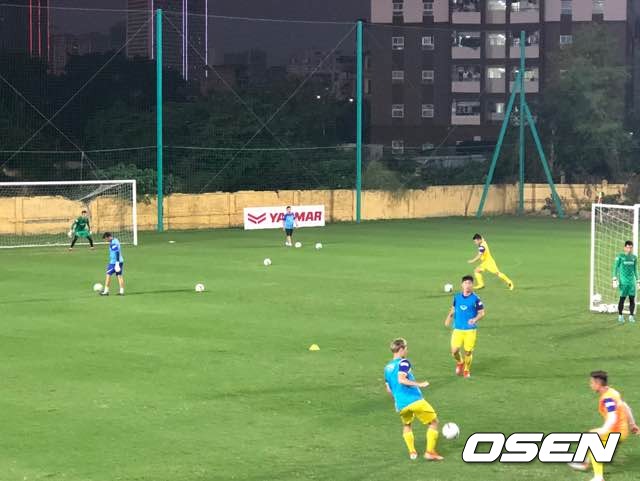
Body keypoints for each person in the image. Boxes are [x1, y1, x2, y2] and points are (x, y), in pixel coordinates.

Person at [568, 371, 639, 481]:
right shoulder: (613, 392)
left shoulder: (607, 399)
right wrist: (632, 424)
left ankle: (598, 477)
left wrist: (604, 430)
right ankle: (585, 463)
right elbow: (625, 406)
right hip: (622, 430)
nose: (590, 385)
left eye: (592, 383)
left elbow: (612, 416)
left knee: (593, 441)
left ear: (598, 384)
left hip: (616, 432)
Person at [384, 338, 443, 461]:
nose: (407, 350)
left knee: (407, 424)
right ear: (401, 349)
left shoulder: (387, 368)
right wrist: (420, 384)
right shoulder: (404, 362)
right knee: (434, 422)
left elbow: (389, 389)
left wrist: (396, 401)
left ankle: (412, 452)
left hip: (401, 404)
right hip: (414, 400)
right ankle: (429, 452)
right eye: (406, 348)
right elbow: (401, 379)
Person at [444, 275, 485, 378]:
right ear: (462, 285)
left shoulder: (476, 299)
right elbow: (453, 309)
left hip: (470, 330)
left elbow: (482, 313)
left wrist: (475, 319)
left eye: (469, 283)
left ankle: (466, 369)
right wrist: (449, 317)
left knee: (468, 352)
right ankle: (460, 362)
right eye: (465, 283)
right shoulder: (457, 297)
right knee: (454, 351)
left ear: (472, 285)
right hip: (457, 329)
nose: (467, 285)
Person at [612, 240, 638, 323]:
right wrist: (614, 278)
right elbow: (615, 267)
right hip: (623, 282)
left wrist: (638, 280)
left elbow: (635, 269)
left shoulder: (634, 257)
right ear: (624, 248)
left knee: (632, 299)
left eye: (631, 248)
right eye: (628, 247)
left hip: (631, 283)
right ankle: (620, 315)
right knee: (622, 299)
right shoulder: (620, 256)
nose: (629, 249)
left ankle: (631, 316)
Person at [100, 232, 124, 296]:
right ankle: (121, 291)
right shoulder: (116, 240)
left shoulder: (113, 243)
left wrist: (117, 263)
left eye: (106, 239)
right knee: (119, 276)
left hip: (114, 262)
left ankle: (106, 291)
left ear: (108, 237)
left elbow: (117, 252)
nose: (106, 241)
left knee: (108, 275)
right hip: (120, 261)